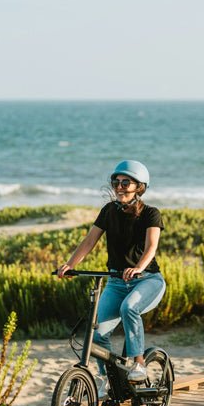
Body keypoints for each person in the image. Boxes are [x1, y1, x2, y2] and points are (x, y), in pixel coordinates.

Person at [54, 160, 165, 381]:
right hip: (116, 282)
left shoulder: (151, 213)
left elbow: (151, 247)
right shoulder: (108, 211)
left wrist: (137, 268)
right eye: (116, 182)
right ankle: (106, 379)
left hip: (147, 280)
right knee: (97, 335)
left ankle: (139, 364)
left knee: (129, 308)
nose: (120, 186)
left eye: (126, 182)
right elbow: (89, 241)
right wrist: (70, 265)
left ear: (139, 187)